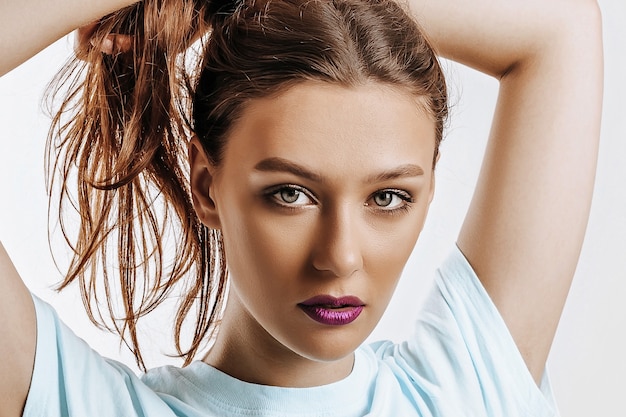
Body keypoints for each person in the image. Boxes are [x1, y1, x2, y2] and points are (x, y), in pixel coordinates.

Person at [0, 0, 603, 415]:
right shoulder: (80, 403)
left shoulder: (469, 395)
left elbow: (560, 25)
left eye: (388, 197)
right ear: (208, 187)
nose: (339, 258)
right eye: (290, 194)